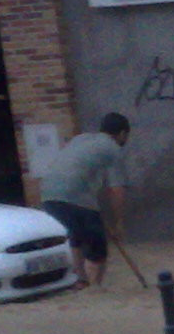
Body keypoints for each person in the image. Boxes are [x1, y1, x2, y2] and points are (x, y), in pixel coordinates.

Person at [38, 112, 131, 288]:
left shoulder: (80, 139)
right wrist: (118, 222)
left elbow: (79, 166)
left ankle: (80, 280)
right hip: (77, 196)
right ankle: (94, 285)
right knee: (97, 247)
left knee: (75, 235)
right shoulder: (113, 149)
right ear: (122, 134)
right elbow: (117, 190)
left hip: (48, 193)